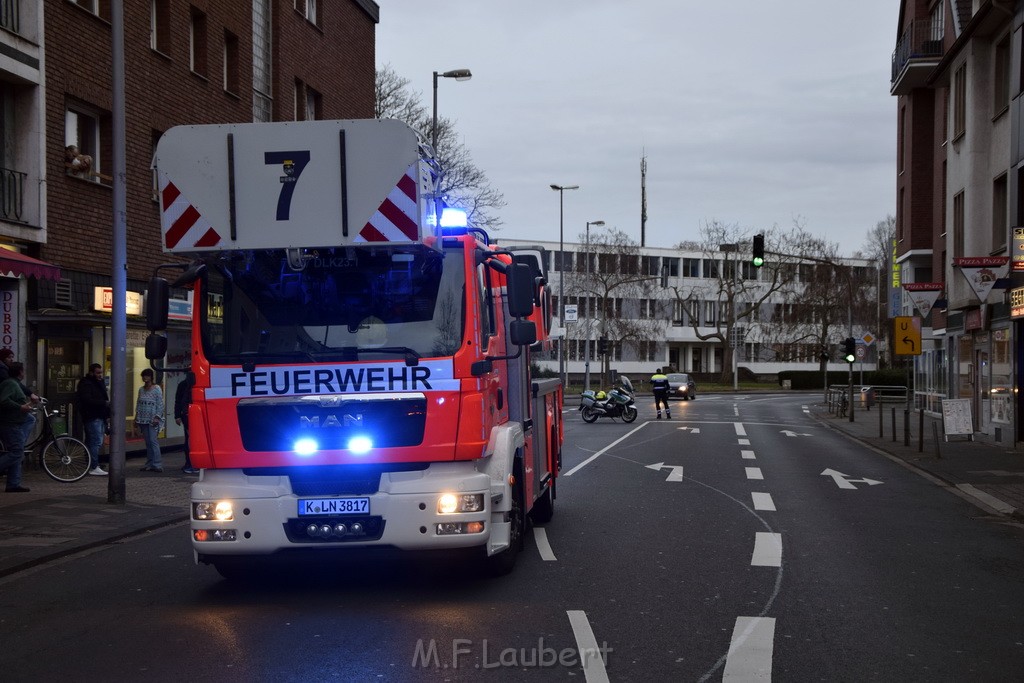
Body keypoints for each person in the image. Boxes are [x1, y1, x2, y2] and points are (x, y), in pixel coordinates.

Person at [0, 362, 33, 492]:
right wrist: (20, 407)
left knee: (17, 452)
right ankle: (13, 482)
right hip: (10, 424)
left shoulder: (14, 384)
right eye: (23, 370)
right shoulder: (10, 384)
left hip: (15, 422)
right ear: (20, 372)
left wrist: (28, 404)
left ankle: (13, 483)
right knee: (17, 452)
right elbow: (4, 400)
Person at [76, 363, 110, 476]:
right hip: (92, 415)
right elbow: (87, 400)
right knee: (96, 441)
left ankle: (91, 464)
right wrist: (104, 403)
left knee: (93, 441)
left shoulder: (95, 383)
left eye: (100, 373)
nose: (100, 375)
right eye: (97, 373)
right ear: (91, 372)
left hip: (98, 415)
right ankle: (94, 465)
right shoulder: (86, 384)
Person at [135, 368, 164, 472]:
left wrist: (157, 417)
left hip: (153, 419)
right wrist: (136, 418)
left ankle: (157, 464)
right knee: (148, 442)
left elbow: (160, 404)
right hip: (143, 419)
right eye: (143, 376)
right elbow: (138, 404)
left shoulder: (156, 388)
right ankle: (149, 463)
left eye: (147, 375)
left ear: (151, 377)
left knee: (153, 441)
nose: (145, 378)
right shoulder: (141, 390)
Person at [174, 374, 198, 474]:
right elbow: (179, 401)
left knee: (188, 440)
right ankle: (191, 463)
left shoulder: (183, 384)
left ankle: (189, 463)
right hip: (189, 415)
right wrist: (178, 415)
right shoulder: (187, 385)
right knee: (190, 440)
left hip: (187, 415)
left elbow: (178, 401)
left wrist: (178, 415)